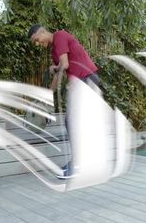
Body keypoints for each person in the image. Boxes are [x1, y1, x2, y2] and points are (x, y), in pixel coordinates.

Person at [28, 25, 100, 179]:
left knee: (72, 122)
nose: (37, 44)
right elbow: (57, 76)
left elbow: (64, 65)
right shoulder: (54, 51)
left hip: (87, 79)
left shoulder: (60, 36)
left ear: (42, 32)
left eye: (37, 40)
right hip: (81, 81)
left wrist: (55, 68)